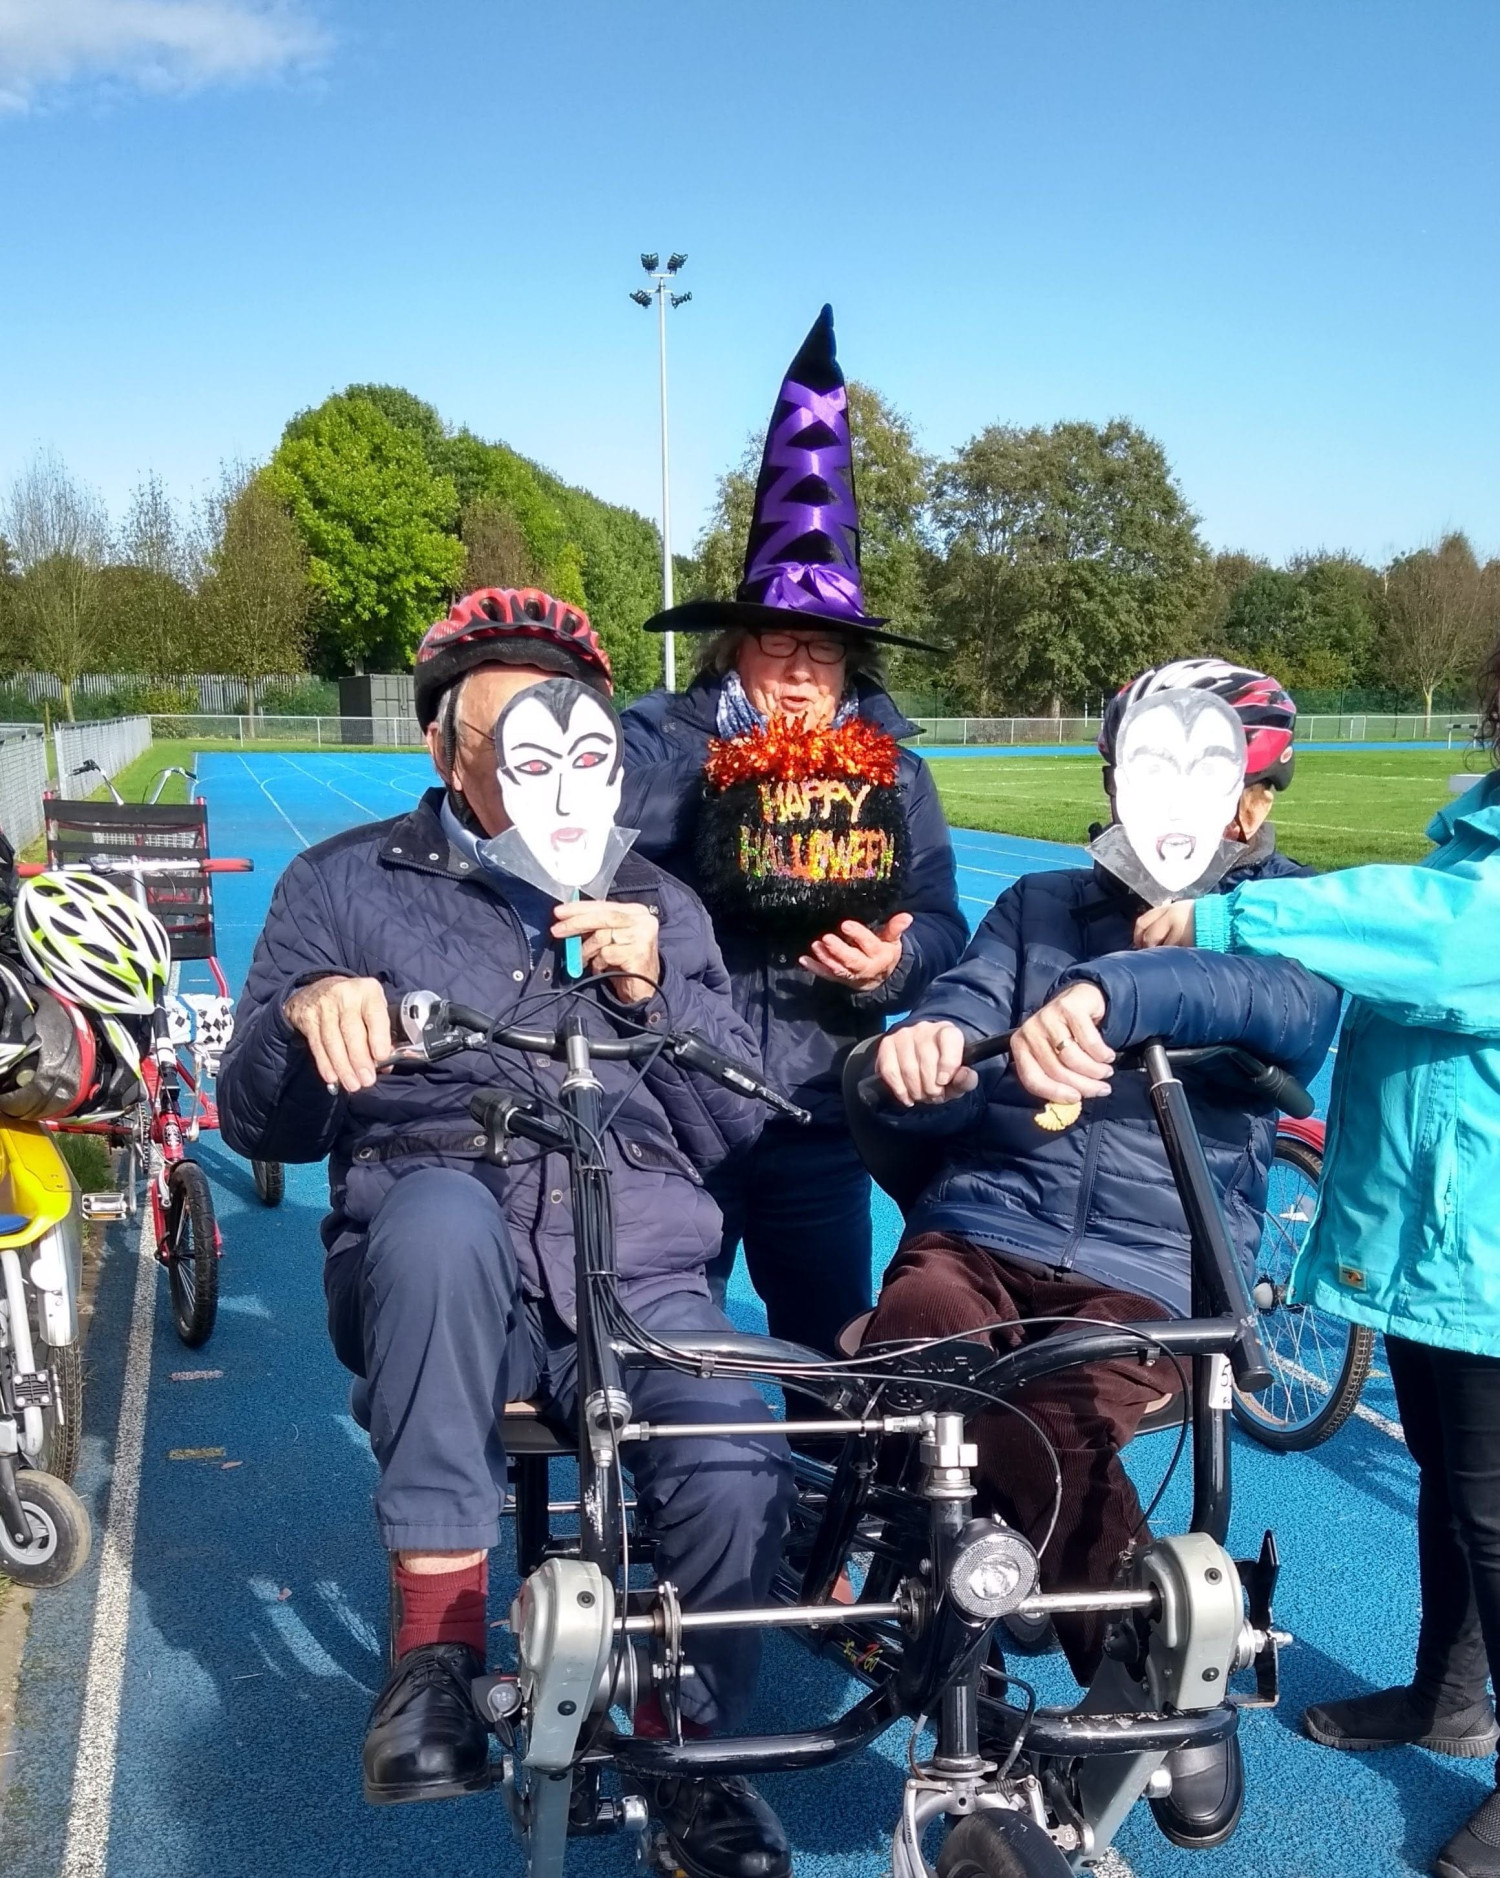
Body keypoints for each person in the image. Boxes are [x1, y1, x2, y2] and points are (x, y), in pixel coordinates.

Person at [218, 588, 797, 1878]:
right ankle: (435, 1655)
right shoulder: (340, 883)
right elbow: (256, 1118)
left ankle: (692, 1748)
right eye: (507, 738)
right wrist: (309, 1017)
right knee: (433, 1218)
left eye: (578, 733)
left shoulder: (662, 903)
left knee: (738, 1434)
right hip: (438, 1255)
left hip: (639, 1263)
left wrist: (656, 995)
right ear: (444, 752)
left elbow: (736, 1129)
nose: (548, 766)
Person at [866, 659, 1341, 1852]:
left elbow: (1287, 1012)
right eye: (1139, 777)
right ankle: (973, 1569)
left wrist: (1104, 996)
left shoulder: (1283, 919)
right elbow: (975, 992)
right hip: (987, 1223)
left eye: (1214, 784)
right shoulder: (1037, 901)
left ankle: (1151, 1674)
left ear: (1254, 806)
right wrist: (934, 1035)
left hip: (1152, 1265)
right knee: (919, 1330)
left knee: (1048, 1406)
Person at [1135, 642, 1500, 1878]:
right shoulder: (1476, 834)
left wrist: (1233, 910)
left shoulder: (1480, 888)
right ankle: (1449, 1698)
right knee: (1457, 1498)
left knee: (1497, 1516)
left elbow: (1436, 941)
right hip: (1437, 1247)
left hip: (1488, 1259)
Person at [621, 307, 965, 1364]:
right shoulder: (654, 743)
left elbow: (947, 926)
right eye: (781, 642)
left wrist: (894, 961)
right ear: (739, 644)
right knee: (660, 1365)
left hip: (819, 1116)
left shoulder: (896, 770)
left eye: (827, 648)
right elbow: (576, 853)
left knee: (831, 1362)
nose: (805, 669)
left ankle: (826, 1524)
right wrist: (718, 789)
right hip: (669, 1109)